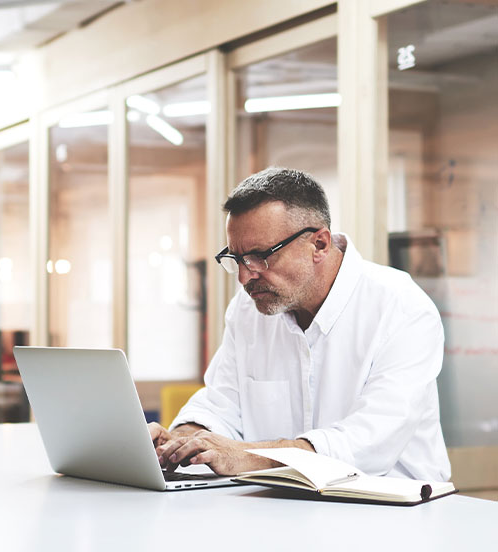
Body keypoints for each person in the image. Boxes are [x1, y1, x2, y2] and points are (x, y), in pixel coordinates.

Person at [148, 167, 450, 481]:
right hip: (284, 508)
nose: (244, 277)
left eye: (260, 256)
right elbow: (221, 404)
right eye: (236, 259)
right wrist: (181, 440)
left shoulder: (402, 308)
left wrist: (248, 456)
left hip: (394, 511)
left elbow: (369, 441)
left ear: (319, 244)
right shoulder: (248, 309)